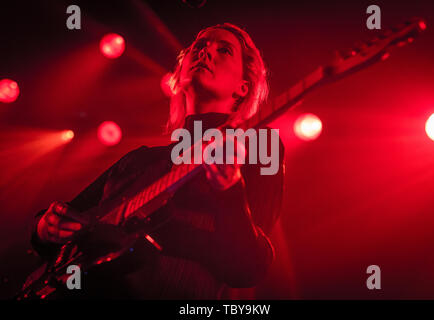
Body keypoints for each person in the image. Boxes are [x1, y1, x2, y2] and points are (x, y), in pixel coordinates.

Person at [31, 23, 285, 299]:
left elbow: (248, 267)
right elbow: (66, 219)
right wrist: (45, 228)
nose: (205, 52)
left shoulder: (260, 143)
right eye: (198, 46)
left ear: (243, 88)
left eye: (223, 49)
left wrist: (231, 191)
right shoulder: (138, 159)